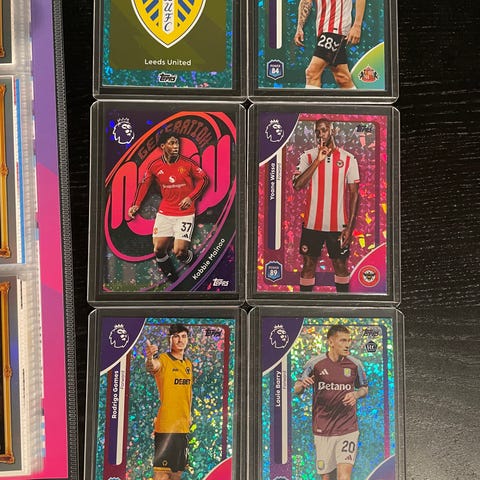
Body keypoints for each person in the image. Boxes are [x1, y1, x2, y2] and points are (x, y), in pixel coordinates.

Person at [128, 132, 209, 282]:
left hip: (185, 213)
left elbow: (203, 179)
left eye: (177, 143)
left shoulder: (187, 164)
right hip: (165, 212)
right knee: (158, 249)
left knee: (180, 252)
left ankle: (197, 265)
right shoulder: (155, 166)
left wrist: (190, 197)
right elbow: (144, 184)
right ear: (162, 146)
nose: (176, 146)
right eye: (172, 143)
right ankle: (173, 280)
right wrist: (136, 204)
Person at [292, 119, 360, 293]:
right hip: (312, 224)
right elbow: (297, 185)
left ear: (333, 131)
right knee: (308, 264)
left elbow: (354, 194)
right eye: (317, 131)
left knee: (340, 265)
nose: (320, 134)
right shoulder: (307, 156)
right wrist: (317, 161)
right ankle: (304, 305)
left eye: (324, 130)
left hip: (338, 226)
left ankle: (343, 305)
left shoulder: (348, 159)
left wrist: (349, 228)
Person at [294, 325, 368, 480]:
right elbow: (297, 388)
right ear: (331, 342)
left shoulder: (355, 364)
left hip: (348, 428)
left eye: (349, 340)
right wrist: (302, 384)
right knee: (327, 477)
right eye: (343, 340)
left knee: (344, 476)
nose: (347, 344)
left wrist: (356, 394)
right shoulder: (315, 363)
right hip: (323, 429)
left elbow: (364, 389)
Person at [145, 324, 193, 480]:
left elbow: (187, 393)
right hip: (166, 427)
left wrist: (188, 415)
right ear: (170, 339)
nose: (180, 340)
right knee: (161, 474)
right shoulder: (163, 360)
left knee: (176, 473)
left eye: (183, 336)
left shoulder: (188, 364)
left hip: (182, 427)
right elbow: (152, 366)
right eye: (176, 336)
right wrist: (150, 357)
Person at [293, 0, 366, 89]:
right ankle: (359, 98)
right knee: (342, 78)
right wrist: (299, 27)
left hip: (337, 28)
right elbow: (306, 1)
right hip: (322, 29)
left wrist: (357, 25)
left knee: (312, 73)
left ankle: (311, 99)